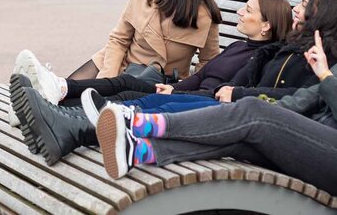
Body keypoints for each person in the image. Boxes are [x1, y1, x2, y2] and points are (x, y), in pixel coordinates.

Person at [12, 0, 337, 167]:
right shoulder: (285, 52)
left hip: (309, 142)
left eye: (304, 5)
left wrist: (323, 76)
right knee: (235, 129)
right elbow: (297, 100)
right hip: (278, 129)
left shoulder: (318, 62)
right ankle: (82, 131)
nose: (296, 9)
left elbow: (300, 101)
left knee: (243, 114)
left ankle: (127, 123)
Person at [95, 28, 337, 198]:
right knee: (241, 138)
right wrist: (271, 118)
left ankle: (141, 124)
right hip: (315, 141)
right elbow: (305, 99)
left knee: (253, 110)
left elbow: (326, 91)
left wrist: (326, 76)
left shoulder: (330, 72)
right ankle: (139, 151)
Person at [12, 0, 292, 110]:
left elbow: (223, 89)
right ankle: (56, 90)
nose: (240, 12)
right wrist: (178, 88)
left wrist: (180, 91)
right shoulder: (240, 46)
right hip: (176, 87)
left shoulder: (259, 57)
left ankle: (50, 103)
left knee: (128, 93)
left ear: (266, 25)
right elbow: (204, 72)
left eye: (249, 10)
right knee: (126, 82)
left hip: (193, 100)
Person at [15, 0, 222, 92]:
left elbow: (208, 63)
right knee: (68, 89)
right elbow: (118, 40)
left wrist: (184, 92)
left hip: (153, 81)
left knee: (73, 97)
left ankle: (41, 92)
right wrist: (106, 80)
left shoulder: (204, 17)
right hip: (116, 63)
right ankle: (38, 93)